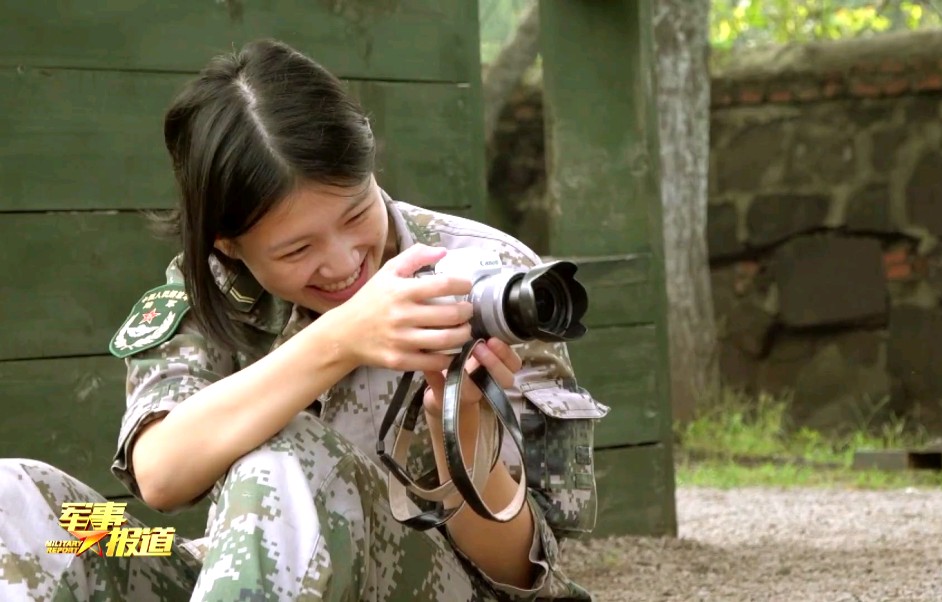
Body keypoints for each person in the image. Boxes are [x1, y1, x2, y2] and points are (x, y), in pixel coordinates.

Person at [0, 38, 608, 601]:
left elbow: (522, 577)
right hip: (242, 565)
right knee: (19, 502)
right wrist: (338, 341)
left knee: (289, 460)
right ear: (228, 245)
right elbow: (160, 475)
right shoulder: (210, 290)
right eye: (297, 250)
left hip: (431, 581)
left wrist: (466, 424)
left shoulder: (486, 277)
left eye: (356, 214)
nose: (343, 263)